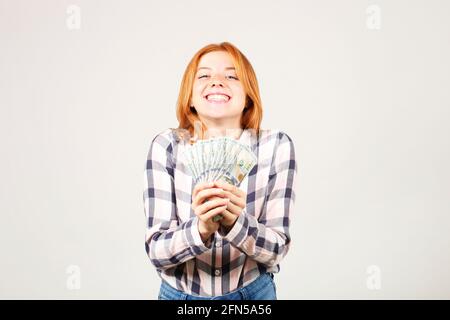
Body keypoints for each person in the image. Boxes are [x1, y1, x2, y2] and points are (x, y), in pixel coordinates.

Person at [143, 42, 298, 300]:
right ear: (189, 97)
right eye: (204, 75)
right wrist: (201, 228)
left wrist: (238, 223)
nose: (216, 82)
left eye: (231, 76)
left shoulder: (276, 146)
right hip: (180, 297)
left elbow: (276, 250)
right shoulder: (166, 146)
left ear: (248, 96)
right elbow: (158, 253)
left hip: (252, 295)